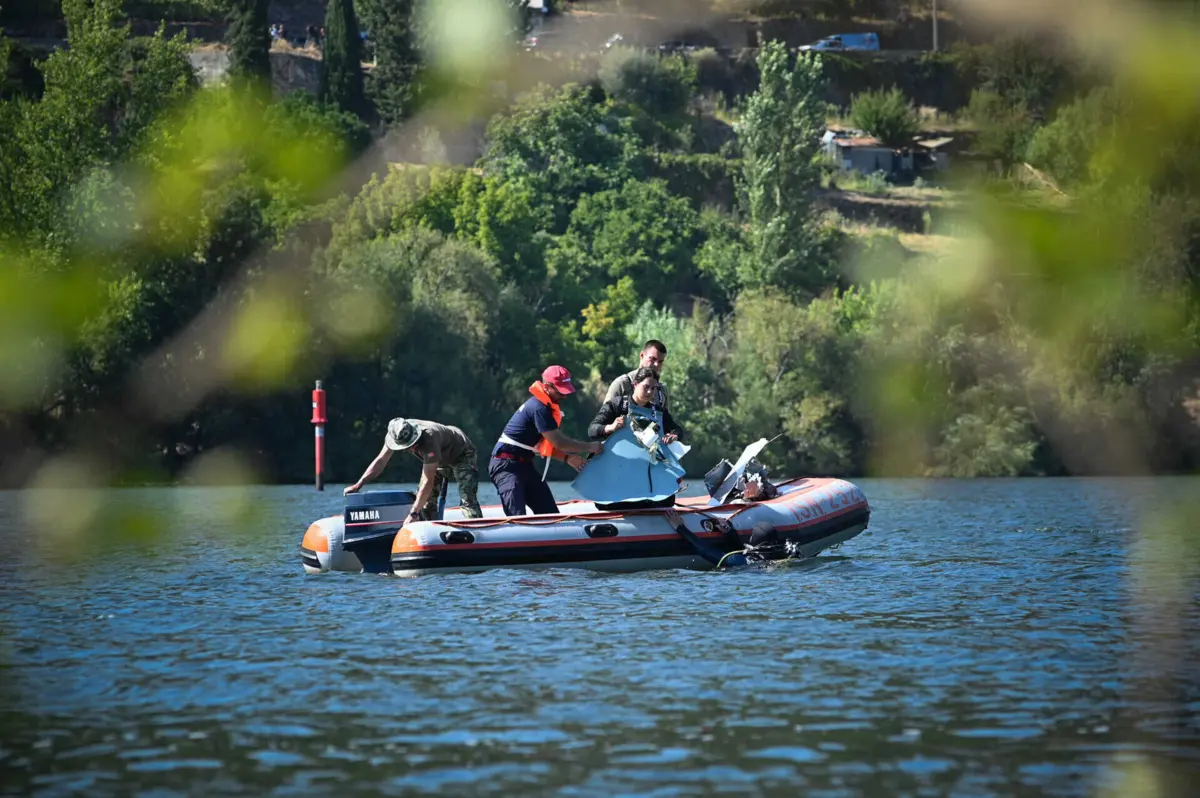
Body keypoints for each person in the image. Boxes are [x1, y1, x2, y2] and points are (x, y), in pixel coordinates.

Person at [489, 365, 604, 516]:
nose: (564, 396)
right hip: (506, 466)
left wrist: (567, 458)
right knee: (516, 518)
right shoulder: (539, 408)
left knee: (550, 515)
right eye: (561, 391)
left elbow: (547, 446)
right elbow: (559, 442)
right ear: (547, 387)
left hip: (525, 465)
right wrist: (590, 447)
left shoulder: (547, 408)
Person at [344, 417, 482, 526]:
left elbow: (428, 480)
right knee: (426, 503)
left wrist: (413, 514)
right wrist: (358, 484)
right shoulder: (396, 433)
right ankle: (430, 532)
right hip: (438, 459)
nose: (410, 448)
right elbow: (381, 461)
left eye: (411, 444)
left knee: (467, 497)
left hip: (461, 453)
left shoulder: (429, 438)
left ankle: (477, 531)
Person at [663, 509, 794, 568]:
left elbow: (706, 551)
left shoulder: (744, 563)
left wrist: (680, 528)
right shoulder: (778, 555)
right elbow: (740, 551)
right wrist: (729, 532)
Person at [589, 367, 682, 444]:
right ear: (635, 384)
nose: (649, 392)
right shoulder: (617, 405)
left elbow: (677, 430)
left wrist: (674, 436)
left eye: (653, 388)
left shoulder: (658, 412)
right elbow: (592, 430)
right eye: (646, 387)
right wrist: (611, 427)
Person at [605, 339, 669, 411]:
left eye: (660, 361)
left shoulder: (662, 391)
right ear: (642, 355)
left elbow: (665, 420)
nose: (656, 364)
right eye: (652, 359)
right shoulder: (622, 384)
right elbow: (604, 418)